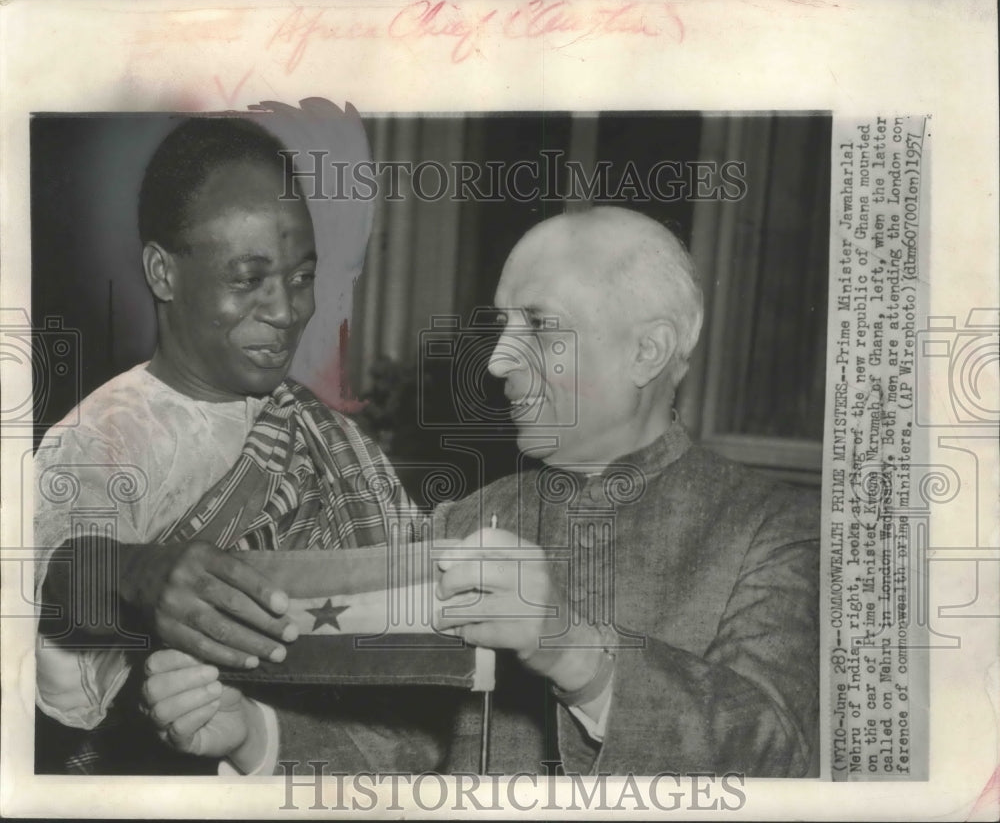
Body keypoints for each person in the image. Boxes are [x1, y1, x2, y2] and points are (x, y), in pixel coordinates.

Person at [144, 206, 819, 777]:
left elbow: (777, 753)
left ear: (647, 351)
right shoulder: (472, 516)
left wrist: (571, 648)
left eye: (540, 326)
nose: (498, 362)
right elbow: (407, 741)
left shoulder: (775, 529)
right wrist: (252, 734)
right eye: (502, 328)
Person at [33, 116, 439, 775]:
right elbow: (53, 574)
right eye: (248, 279)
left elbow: (413, 636)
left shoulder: (329, 437)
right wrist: (137, 575)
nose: (285, 309)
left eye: (301, 277)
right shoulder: (102, 439)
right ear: (163, 273)